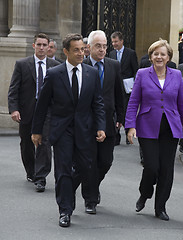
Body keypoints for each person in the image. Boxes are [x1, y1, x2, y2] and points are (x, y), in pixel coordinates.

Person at [31, 33, 106, 227]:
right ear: (66, 52)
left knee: (85, 167)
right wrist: (36, 131)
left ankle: (67, 189)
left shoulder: (90, 73)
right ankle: (65, 210)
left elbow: (98, 103)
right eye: (76, 50)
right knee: (63, 170)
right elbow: (42, 104)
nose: (81, 53)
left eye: (83, 49)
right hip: (62, 130)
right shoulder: (55, 74)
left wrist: (101, 126)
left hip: (85, 130)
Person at [126, 39, 183, 221]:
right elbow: (133, 102)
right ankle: (145, 193)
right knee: (151, 167)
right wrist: (130, 126)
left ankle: (160, 207)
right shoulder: (142, 74)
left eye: (163, 54)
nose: (159, 57)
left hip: (171, 128)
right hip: (147, 126)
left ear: (169, 57)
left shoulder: (176, 75)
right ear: (150, 56)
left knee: (166, 169)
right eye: (155, 54)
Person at [8, 33, 60, 192]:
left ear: (49, 47)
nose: (42, 48)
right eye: (39, 45)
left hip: (48, 111)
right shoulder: (22, 64)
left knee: (45, 142)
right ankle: (31, 171)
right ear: (34, 46)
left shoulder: (56, 66)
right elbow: (13, 89)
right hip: (27, 110)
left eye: (45, 45)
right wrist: (14, 109)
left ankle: (41, 176)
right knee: (26, 143)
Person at [82, 30, 125, 214]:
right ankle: (90, 198)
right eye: (98, 46)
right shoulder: (81, 65)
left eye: (105, 46)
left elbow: (119, 94)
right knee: (89, 162)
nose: (102, 49)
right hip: (86, 123)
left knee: (105, 161)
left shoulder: (113, 65)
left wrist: (122, 119)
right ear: (89, 47)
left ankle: (93, 186)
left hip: (108, 122)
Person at [109, 31, 138, 145]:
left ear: (121, 41)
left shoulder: (130, 53)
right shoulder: (111, 54)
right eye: (113, 42)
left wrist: (134, 85)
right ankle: (116, 136)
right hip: (115, 86)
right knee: (115, 110)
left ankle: (127, 133)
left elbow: (135, 69)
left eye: (116, 41)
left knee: (126, 110)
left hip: (127, 87)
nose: (114, 44)